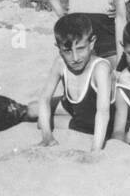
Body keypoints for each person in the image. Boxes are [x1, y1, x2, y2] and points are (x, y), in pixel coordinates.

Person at [36, 13, 117, 150]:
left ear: (92, 43)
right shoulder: (60, 63)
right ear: (58, 48)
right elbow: (44, 98)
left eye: (80, 49)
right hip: (80, 113)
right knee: (36, 113)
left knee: (41, 119)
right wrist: (47, 136)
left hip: (103, 121)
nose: (75, 58)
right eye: (67, 51)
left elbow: (103, 112)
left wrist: (95, 150)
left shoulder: (100, 68)